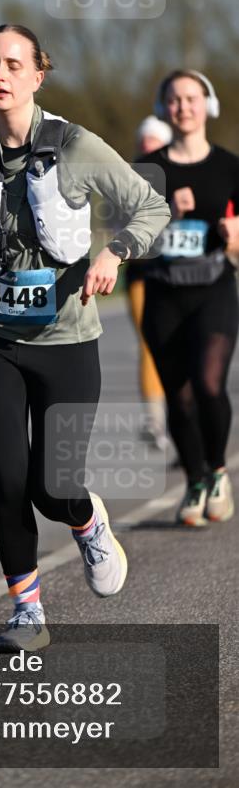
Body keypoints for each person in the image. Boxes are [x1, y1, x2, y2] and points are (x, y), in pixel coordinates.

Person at [0, 24, 170, 651]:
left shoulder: (76, 147)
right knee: (5, 476)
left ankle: (87, 519)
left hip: (69, 342)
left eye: (13, 65)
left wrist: (116, 252)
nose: (0, 75)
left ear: (38, 74)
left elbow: (150, 206)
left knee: (54, 486)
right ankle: (25, 609)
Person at [139, 70, 239, 527]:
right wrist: (166, 213)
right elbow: (126, 239)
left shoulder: (230, 168)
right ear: (164, 109)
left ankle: (217, 469)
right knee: (178, 397)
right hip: (163, 294)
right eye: (174, 99)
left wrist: (235, 238)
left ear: (207, 104)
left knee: (209, 385)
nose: (183, 106)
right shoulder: (146, 171)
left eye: (192, 97)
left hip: (214, 290)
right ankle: (195, 479)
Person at [125, 116, 172, 453]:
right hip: (143, 275)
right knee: (149, 344)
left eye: (154, 142)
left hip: (181, 276)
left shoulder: (183, 173)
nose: (148, 147)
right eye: (145, 142)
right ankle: (155, 422)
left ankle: (186, 419)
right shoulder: (128, 177)